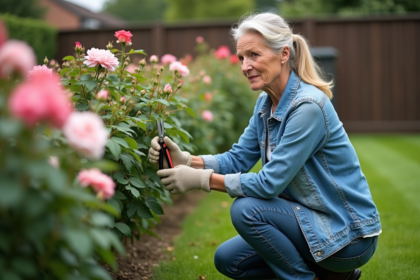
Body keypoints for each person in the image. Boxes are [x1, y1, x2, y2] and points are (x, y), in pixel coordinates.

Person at [148, 12, 381, 280]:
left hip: (347, 237)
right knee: (229, 260)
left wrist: (202, 179)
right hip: (310, 224)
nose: (245, 66)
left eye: (254, 55)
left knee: (247, 209)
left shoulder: (307, 107)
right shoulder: (265, 103)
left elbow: (269, 184)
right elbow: (238, 158)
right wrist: (188, 160)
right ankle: (335, 278)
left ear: (283, 54)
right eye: (241, 58)